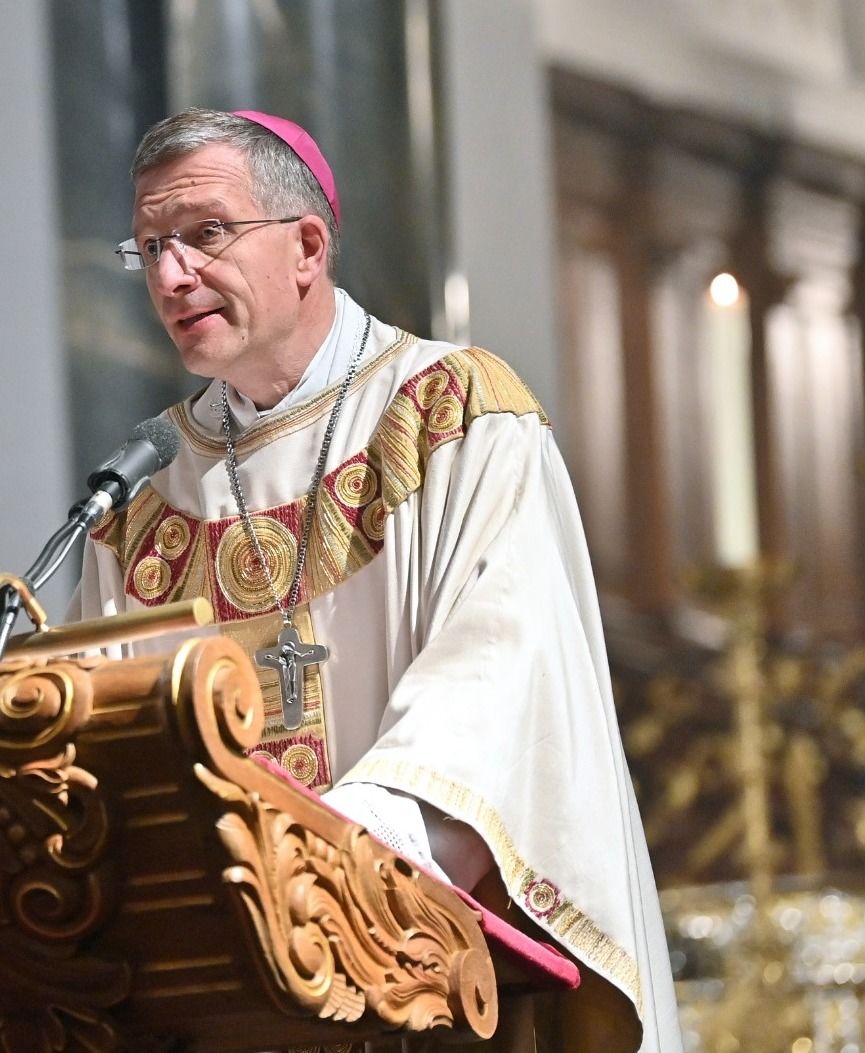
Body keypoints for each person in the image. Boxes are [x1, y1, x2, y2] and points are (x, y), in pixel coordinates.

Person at [69, 108, 681, 1051]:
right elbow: (100, 735)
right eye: (148, 247)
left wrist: (319, 860)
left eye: (203, 235)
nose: (169, 275)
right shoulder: (148, 488)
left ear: (307, 245)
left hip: (428, 982)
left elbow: (500, 686)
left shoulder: (454, 415)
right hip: (226, 997)